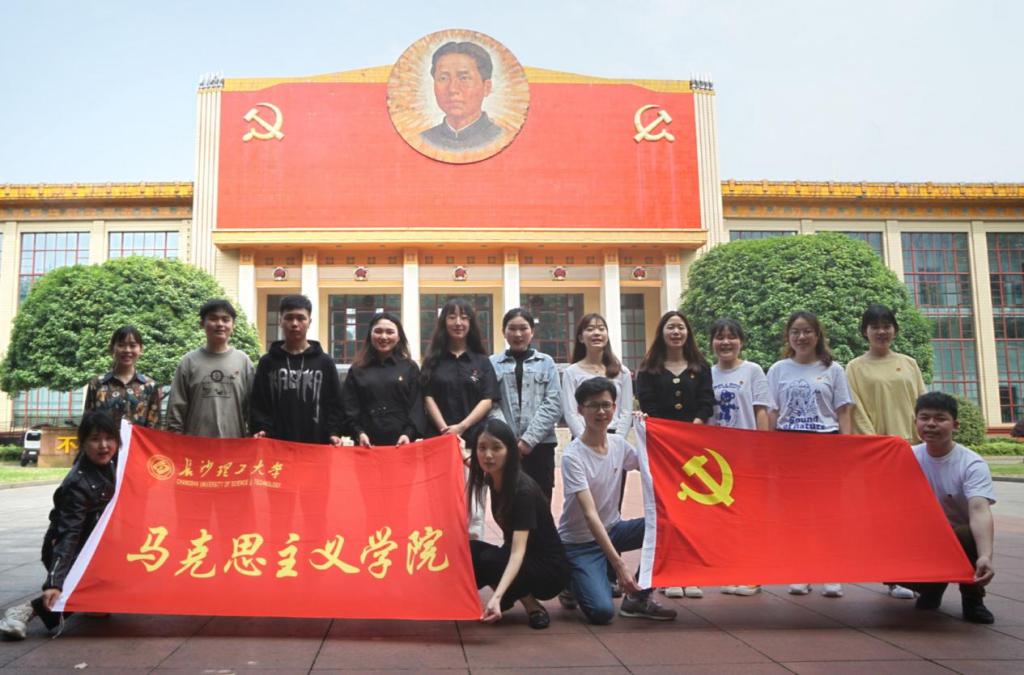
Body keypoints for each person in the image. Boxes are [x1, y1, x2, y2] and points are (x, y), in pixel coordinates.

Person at [558, 377, 677, 624]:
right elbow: (590, 515)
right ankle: (570, 580)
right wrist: (619, 565)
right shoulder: (573, 456)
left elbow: (651, 465)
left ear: (614, 407)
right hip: (580, 543)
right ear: (580, 410)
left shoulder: (618, 444)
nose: (601, 412)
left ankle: (638, 598)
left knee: (669, 527)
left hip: (613, 530)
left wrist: (647, 430)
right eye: (593, 406)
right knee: (602, 612)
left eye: (606, 405)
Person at [0, 412, 120, 640]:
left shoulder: (117, 465)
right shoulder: (78, 483)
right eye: (95, 439)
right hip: (68, 549)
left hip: (99, 547)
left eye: (109, 438)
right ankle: (26, 610)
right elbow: (69, 535)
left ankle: (91, 595)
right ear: (82, 442)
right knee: (82, 589)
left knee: (106, 597)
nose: (104, 446)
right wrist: (55, 583)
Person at [767, 310, 853, 598]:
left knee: (828, 512)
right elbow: (772, 411)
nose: (801, 337)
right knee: (796, 513)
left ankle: (831, 571)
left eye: (807, 331)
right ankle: (800, 571)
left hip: (825, 445)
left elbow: (843, 411)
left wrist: (845, 447)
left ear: (817, 335)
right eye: (795, 332)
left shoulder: (833, 369)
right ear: (788, 336)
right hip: (789, 446)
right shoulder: (778, 369)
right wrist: (768, 448)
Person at [846, 304, 927, 601]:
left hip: (913, 449)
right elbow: (856, 410)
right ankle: (894, 577)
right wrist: (878, 444)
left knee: (914, 516)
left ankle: (918, 573)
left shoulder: (909, 363)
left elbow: (923, 402)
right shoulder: (855, 367)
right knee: (886, 517)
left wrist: (922, 437)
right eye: (875, 326)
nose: (881, 331)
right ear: (865, 331)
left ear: (894, 329)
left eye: (886, 325)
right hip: (880, 453)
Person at [894, 392, 996, 624]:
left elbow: (979, 510)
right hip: (922, 538)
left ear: (955, 425)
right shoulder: (906, 457)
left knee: (968, 533)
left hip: (958, 539)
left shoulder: (971, 464)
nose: (931, 424)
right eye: (924, 418)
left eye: (940, 418)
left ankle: (973, 599)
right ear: (916, 422)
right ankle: (931, 587)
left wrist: (986, 555)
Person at [636, 310, 715, 599]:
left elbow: (707, 401)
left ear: (687, 332)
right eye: (670, 327)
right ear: (662, 332)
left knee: (694, 510)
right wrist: (668, 434)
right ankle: (670, 574)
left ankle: (691, 575)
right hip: (663, 449)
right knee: (667, 510)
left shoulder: (700, 367)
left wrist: (694, 426)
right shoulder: (649, 369)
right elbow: (648, 403)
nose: (676, 332)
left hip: (694, 449)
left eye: (681, 327)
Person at [468, 418, 569, 629]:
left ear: (510, 451)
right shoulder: (495, 477)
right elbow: (471, 463)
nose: (488, 455)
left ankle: (531, 606)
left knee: (489, 559)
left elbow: (517, 552)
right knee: (469, 550)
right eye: (482, 448)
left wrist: (494, 596)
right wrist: (455, 449)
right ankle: (507, 597)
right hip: (523, 558)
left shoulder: (523, 491)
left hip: (548, 569)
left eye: (496, 448)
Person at [421, 298, 499, 539]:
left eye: (464, 318)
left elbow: (488, 399)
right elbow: (427, 396)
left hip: (474, 442)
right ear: (443, 322)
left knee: (474, 509)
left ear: (471, 323)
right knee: (439, 505)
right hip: (439, 443)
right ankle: (443, 556)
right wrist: (446, 430)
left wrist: (462, 427)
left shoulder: (481, 361)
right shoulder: (433, 360)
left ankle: (473, 556)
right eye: (452, 317)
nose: (458, 322)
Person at [708, 317, 770, 597]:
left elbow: (761, 410)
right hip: (719, 458)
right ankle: (730, 570)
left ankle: (753, 574)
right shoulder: (707, 374)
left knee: (750, 515)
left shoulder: (753, 370)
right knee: (725, 518)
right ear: (712, 343)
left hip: (747, 455)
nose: (725, 342)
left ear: (741, 341)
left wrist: (763, 448)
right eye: (719, 337)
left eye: (731, 336)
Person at [489, 308, 562, 503]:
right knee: (506, 503)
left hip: (540, 447)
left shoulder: (546, 362)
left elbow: (553, 403)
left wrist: (527, 441)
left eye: (523, 328)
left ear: (532, 331)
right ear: (503, 332)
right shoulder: (492, 363)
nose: (518, 334)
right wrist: (508, 439)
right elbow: (490, 403)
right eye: (512, 329)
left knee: (541, 502)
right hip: (503, 447)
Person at [250, 295, 344, 445]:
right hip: (275, 443)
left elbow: (335, 403)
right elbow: (258, 403)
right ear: (280, 321)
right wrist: (262, 428)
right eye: (289, 318)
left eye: (301, 318)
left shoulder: (325, 362)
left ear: (309, 322)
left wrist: (334, 432)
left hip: (316, 443)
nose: (294, 324)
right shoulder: (267, 362)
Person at [166, 299, 254, 438]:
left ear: (233, 325)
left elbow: (253, 408)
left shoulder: (243, 362)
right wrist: (176, 439)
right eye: (213, 318)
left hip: (234, 444)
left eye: (225, 319)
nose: (220, 324)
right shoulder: (189, 362)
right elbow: (176, 408)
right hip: (196, 444)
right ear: (202, 323)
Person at [340, 312, 425, 446]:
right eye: (378, 331)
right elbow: (349, 407)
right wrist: (358, 433)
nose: (384, 337)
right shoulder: (357, 369)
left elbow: (417, 406)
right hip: (366, 444)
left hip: (402, 444)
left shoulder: (410, 368)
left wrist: (408, 434)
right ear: (370, 335)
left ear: (399, 337)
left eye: (390, 332)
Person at [420, 41, 504, 152]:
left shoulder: (500, 137)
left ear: (486, 87)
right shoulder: (423, 139)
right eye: (443, 78)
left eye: (464, 78)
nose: (452, 89)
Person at [561, 313, 634, 439]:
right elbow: (571, 413)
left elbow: (626, 412)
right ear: (581, 338)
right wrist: (585, 441)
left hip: (614, 435)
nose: (596, 333)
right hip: (583, 437)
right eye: (590, 329)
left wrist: (618, 440)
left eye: (601, 329)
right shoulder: (571, 372)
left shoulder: (622, 372)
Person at [83, 325, 161, 428]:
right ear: (112, 348)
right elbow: (87, 425)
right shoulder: (97, 384)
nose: (127, 350)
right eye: (121, 345)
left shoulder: (150, 386)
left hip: (137, 439)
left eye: (132, 345)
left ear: (141, 349)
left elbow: (154, 427)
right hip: (105, 439)